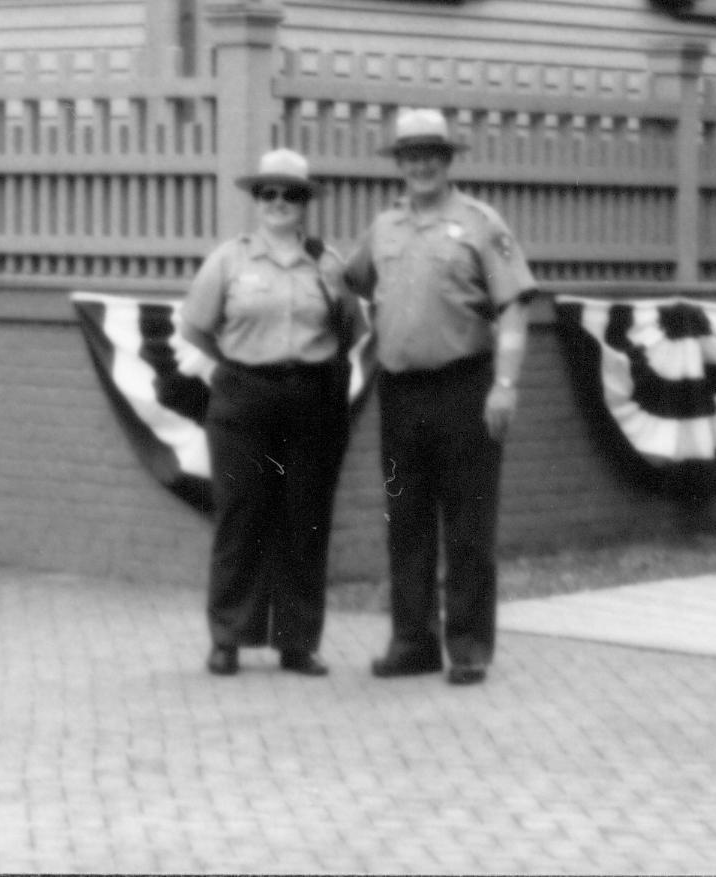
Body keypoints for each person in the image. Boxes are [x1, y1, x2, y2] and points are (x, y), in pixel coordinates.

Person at [341, 107, 536, 687]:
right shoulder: (382, 230)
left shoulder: (480, 223)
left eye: (432, 153)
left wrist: (505, 385)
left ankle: (469, 646)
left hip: (465, 388)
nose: (421, 164)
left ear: (448, 160)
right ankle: (413, 642)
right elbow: (347, 284)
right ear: (398, 163)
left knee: (469, 521)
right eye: (410, 155)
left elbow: (516, 304)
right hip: (400, 393)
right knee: (405, 518)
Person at [176, 146, 361, 677]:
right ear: (257, 200)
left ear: (305, 203)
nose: (279, 202)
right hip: (244, 399)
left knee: (305, 516)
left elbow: (350, 329)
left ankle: (297, 640)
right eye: (269, 193)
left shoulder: (329, 264)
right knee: (242, 513)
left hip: (311, 400)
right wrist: (239, 365)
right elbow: (195, 328)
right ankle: (228, 636)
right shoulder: (229, 260)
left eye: (291, 194)